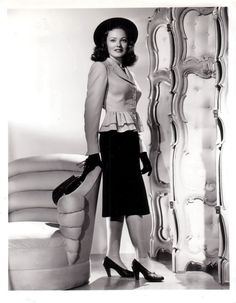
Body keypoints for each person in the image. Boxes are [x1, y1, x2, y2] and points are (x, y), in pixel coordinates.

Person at [84, 17, 164, 282]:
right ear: (104, 43)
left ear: (129, 44)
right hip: (112, 141)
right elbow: (91, 111)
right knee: (135, 203)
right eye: (112, 40)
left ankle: (112, 255)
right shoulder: (101, 67)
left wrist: (141, 149)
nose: (118, 44)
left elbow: (132, 112)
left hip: (129, 140)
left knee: (119, 201)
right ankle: (142, 260)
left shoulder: (125, 69)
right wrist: (93, 151)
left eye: (123, 40)